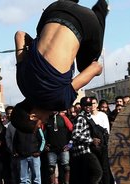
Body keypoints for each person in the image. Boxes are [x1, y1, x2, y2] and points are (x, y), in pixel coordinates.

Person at [11, 0, 109, 133]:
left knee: (87, 65)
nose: (45, 123)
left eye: (39, 125)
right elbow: (20, 35)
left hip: (85, 19)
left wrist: (97, 71)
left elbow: (95, 67)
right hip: (54, 9)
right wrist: (36, 43)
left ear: (33, 116)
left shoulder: (59, 102)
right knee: (42, 31)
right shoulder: (21, 82)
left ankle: (102, 7)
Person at [70, 96, 103, 184]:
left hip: (88, 150)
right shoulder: (81, 118)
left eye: (90, 105)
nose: (89, 107)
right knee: (97, 171)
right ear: (82, 106)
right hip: (84, 151)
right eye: (86, 105)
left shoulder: (88, 117)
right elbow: (75, 134)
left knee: (90, 174)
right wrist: (91, 140)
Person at [43, 111, 74, 184]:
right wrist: (44, 145)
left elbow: (72, 130)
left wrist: (70, 144)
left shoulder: (64, 118)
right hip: (51, 149)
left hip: (63, 148)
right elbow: (41, 132)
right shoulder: (47, 119)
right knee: (51, 168)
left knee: (66, 167)